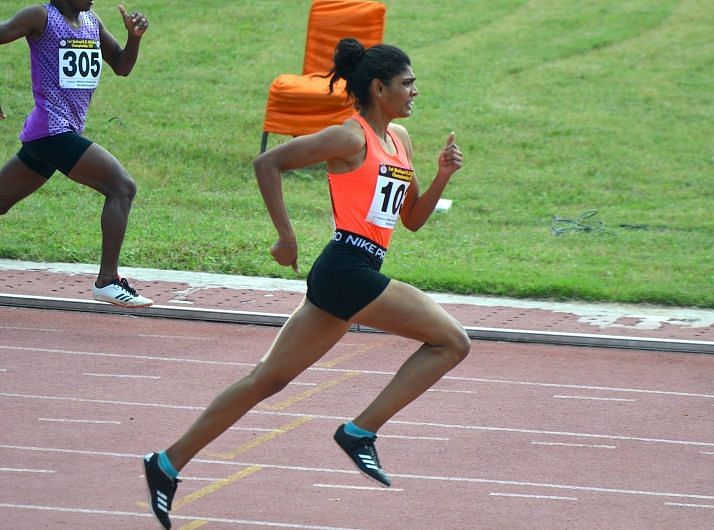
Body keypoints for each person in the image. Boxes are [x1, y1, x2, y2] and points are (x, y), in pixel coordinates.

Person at [142, 37, 471, 529]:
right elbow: (266, 162)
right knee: (452, 342)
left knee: (266, 380)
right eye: (407, 84)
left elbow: (413, 220)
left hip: (357, 272)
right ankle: (360, 431)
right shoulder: (349, 137)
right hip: (346, 268)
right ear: (379, 88)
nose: (415, 92)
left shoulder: (399, 139)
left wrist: (443, 175)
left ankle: (166, 463)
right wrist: (285, 236)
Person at [0, 1, 153, 307]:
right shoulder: (40, 16)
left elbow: (121, 66)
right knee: (122, 187)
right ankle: (107, 281)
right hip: (52, 130)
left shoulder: (90, 22)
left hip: (53, 134)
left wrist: (133, 38)